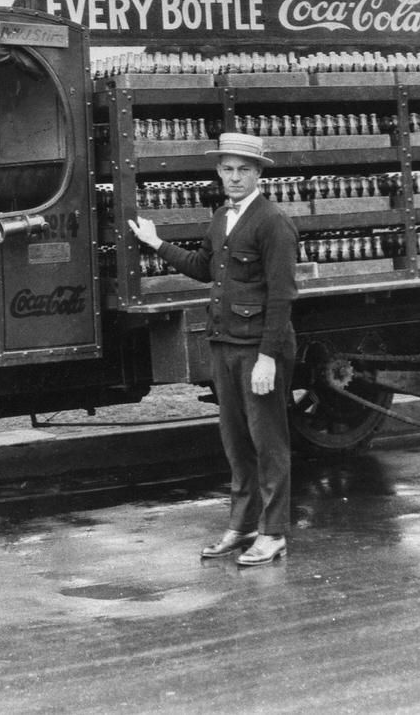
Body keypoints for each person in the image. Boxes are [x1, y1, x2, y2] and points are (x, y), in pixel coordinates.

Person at [128, 131, 299, 566]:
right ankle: (241, 526)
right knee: (236, 443)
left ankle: (274, 532)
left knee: (268, 442)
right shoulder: (222, 216)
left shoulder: (272, 221)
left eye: (244, 169)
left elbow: (282, 296)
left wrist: (267, 358)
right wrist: (156, 243)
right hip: (224, 344)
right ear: (218, 172)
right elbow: (203, 268)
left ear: (259, 173)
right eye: (227, 169)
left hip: (258, 349)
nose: (235, 177)